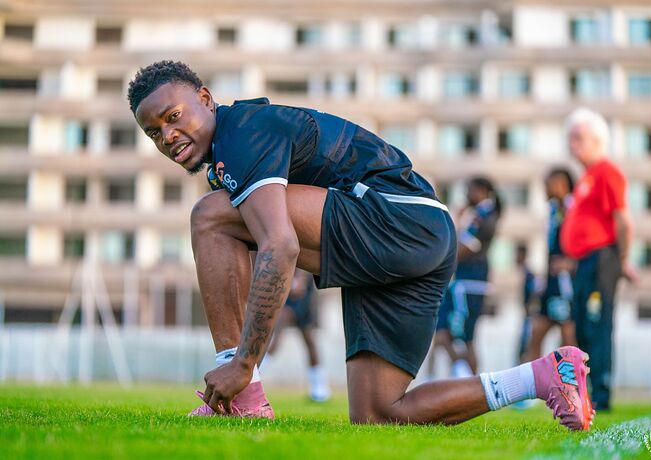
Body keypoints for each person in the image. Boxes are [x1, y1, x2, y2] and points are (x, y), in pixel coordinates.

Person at [127, 60, 593, 430]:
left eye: (173, 117)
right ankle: (543, 376)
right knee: (378, 413)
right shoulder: (227, 158)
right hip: (418, 240)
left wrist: (243, 364)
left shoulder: (243, 132)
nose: (167, 136)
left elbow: (281, 246)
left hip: (400, 219)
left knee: (210, 215)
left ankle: (244, 399)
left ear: (205, 98)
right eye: (154, 132)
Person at [561, 108, 637, 412]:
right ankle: (588, 392)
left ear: (597, 140)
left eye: (579, 138)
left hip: (602, 260)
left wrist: (622, 260)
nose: (573, 144)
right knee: (581, 325)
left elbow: (623, 221)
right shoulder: (587, 177)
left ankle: (602, 394)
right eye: (571, 138)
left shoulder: (607, 172)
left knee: (597, 325)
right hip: (585, 262)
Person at [434, 177, 501, 378]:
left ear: (481, 191)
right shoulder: (478, 214)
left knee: (463, 337)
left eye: (469, 190)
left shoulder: (483, 216)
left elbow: (462, 249)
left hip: (470, 284)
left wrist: (438, 260)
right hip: (465, 283)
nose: (466, 195)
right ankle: (465, 377)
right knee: (448, 334)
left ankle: (468, 380)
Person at [524, 168, 578, 362]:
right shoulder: (554, 210)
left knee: (567, 337)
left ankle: (572, 379)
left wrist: (572, 264)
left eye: (548, 184)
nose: (545, 189)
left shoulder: (576, 209)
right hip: (551, 283)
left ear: (560, 184)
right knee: (536, 332)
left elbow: (588, 244)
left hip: (567, 285)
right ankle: (533, 379)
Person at [262, 268, 331, 402]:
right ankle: (254, 375)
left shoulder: (305, 275)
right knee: (276, 339)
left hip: (304, 298)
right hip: (287, 292)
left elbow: (303, 270)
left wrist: (300, 279)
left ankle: (319, 388)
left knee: (310, 341)